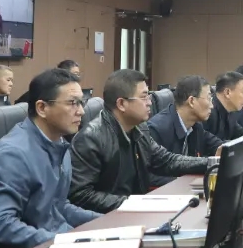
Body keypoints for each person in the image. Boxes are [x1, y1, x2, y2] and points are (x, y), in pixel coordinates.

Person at [0, 69, 100, 248]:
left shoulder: (59, 145)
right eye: (72, 103)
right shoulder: (12, 155)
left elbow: (57, 207)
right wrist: (62, 242)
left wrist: (108, 221)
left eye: (81, 102)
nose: (81, 111)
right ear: (42, 108)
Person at [69, 69, 208, 213]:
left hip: (135, 213)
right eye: (144, 97)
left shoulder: (140, 129)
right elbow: (81, 195)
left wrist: (211, 163)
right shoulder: (91, 138)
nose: (149, 103)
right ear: (121, 104)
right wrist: (135, 203)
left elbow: (166, 161)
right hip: (108, 218)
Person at [146, 75, 224, 159]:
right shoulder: (157, 130)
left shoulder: (195, 127)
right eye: (208, 99)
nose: (212, 106)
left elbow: (218, 145)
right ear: (191, 101)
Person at [15, 60, 81, 105]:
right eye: (75, 74)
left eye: (78, 74)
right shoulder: (48, 89)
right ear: (63, 74)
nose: (77, 77)